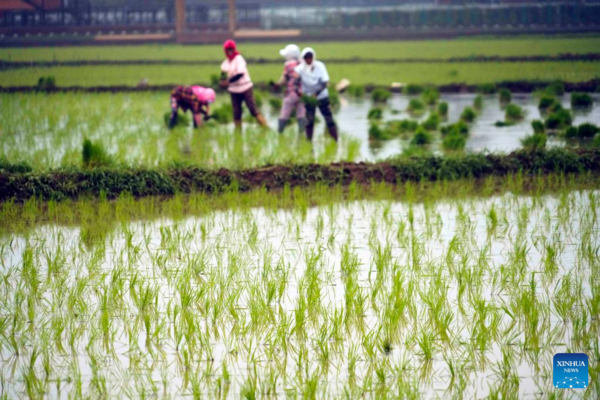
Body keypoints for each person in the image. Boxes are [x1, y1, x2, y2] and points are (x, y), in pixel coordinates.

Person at [219, 39, 267, 130]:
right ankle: (238, 133)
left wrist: (228, 81)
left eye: (231, 49)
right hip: (233, 90)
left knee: (253, 110)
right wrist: (222, 82)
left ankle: (266, 128)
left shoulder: (239, 59)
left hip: (245, 88)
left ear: (234, 49)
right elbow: (223, 76)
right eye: (227, 50)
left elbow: (240, 74)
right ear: (225, 51)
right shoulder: (225, 64)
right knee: (236, 112)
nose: (229, 52)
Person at [293, 47, 338, 142]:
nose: (309, 60)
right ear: (303, 58)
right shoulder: (300, 68)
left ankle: (336, 140)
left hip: (322, 96)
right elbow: (295, 83)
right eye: (306, 58)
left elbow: (324, 82)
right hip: (308, 98)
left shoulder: (320, 66)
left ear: (313, 57)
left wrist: (316, 94)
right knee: (309, 121)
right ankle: (309, 143)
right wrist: (299, 92)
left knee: (328, 118)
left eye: (310, 57)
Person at [275, 44, 306, 134]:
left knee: (284, 113)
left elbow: (284, 80)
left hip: (291, 93)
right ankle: (301, 134)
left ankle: (280, 133)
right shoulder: (302, 63)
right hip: (302, 93)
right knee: (301, 114)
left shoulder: (288, 64)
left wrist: (277, 84)